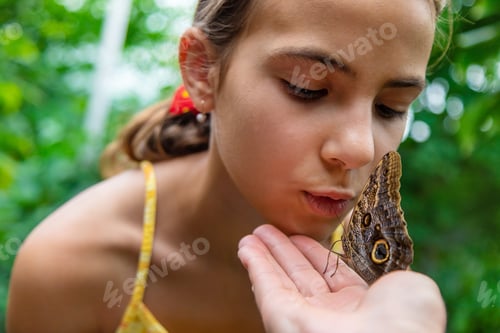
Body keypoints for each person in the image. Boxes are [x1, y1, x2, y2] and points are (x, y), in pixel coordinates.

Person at [6, 0, 448, 332]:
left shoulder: (370, 262)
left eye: (391, 108)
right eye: (307, 88)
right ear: (202, 71)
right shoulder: (70, 268)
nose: (359, 149)